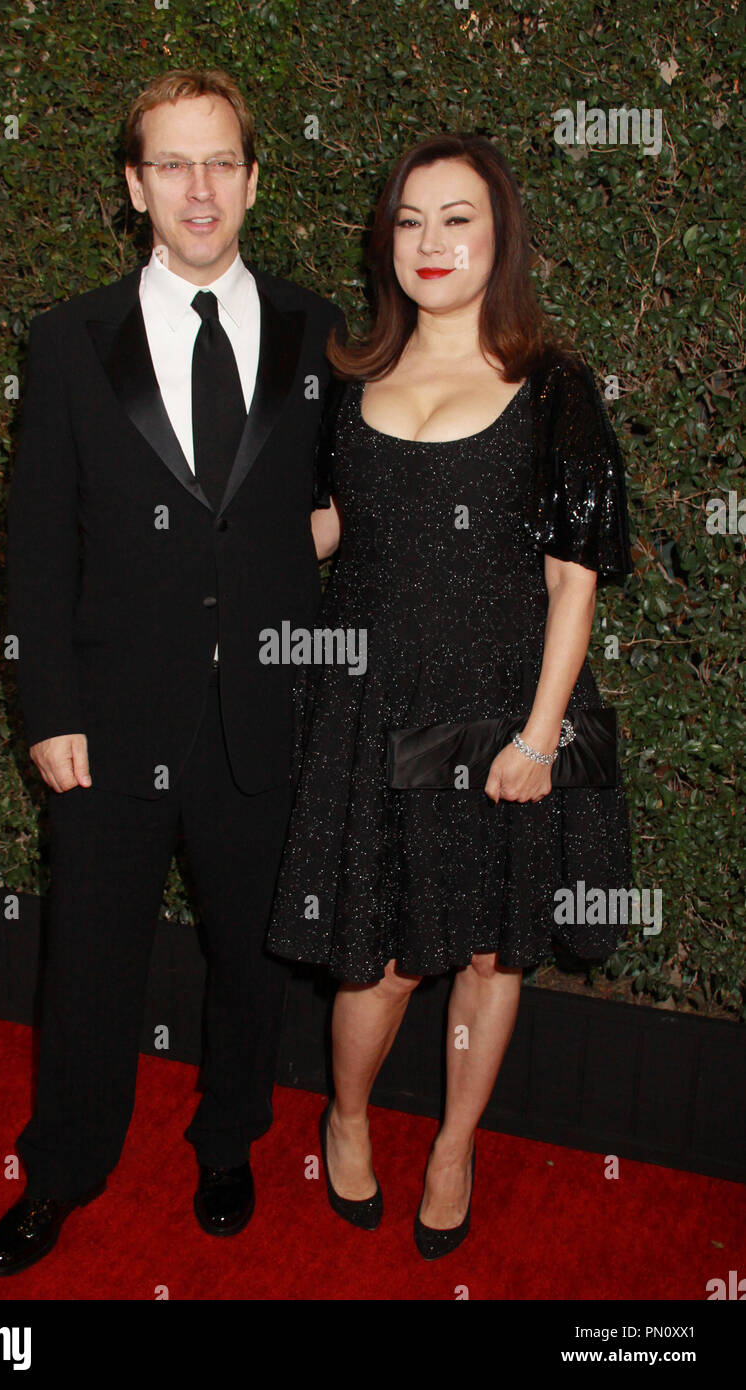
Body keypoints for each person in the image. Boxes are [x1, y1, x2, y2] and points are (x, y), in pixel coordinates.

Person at [0, 68, 343, 1276]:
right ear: (135, 184)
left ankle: (229, 1139)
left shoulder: (313, 330)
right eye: (172, 164)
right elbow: (34, 541)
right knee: (87, 961)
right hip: (110, 721)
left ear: (251, 179)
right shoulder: (69, 336)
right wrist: (48, 708)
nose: (199, 188)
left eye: (220, 162)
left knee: (251, 954)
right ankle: (65, 1169)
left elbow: (341, 504)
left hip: (261, 716)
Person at [266, 133, 634, 1259]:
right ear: (386, 239)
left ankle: (454, 1142)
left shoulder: (553, 386)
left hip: (494, 713)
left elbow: (572, 583)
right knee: (373, 959)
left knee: (487, 952)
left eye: (456, 217)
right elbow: (324, 529)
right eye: (410, 219)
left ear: (497, 234)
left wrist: (536, 737)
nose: (430, 242)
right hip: (366, 711)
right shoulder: (348, 373)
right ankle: (346, 1115)